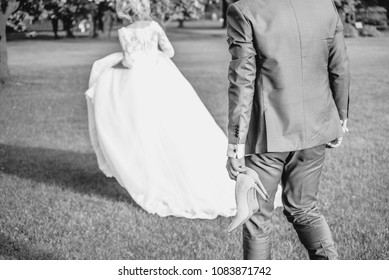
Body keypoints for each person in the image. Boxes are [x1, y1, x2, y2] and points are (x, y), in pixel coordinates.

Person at [85, 0, 239, 219]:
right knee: (172, 124)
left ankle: (149, 174)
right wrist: (152, 56)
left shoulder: (124, 32)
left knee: (143, 128)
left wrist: (116, 63)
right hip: (159, 77)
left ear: (127, 11)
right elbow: (169, 51)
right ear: (144, 8)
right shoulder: (155, 27)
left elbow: (128, 61)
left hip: (135, 83)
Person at [225, 0, 350, 259]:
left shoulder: (244, 9)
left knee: (257, 219)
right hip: (317, 125)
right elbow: (339, 66)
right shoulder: (325, 5)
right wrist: (341, 118)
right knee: (305, 208)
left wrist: (235, 145)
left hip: (268, 135)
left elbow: (242, 80)